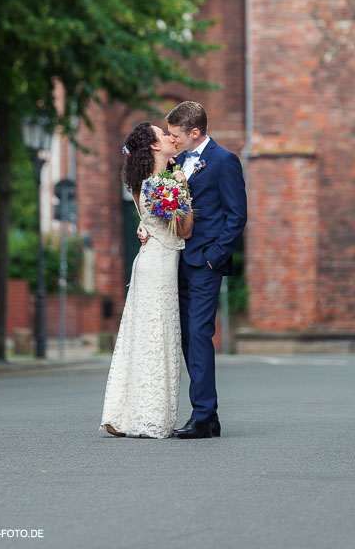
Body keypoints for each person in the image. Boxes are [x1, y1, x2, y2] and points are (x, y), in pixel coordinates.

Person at [139, 101, 247, 439]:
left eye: (175, 134)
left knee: (200, 333)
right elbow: (169, 210)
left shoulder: (224, 161)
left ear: (195, 132)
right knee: (186, 336)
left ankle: (201, 417)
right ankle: (209, 414)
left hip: (205, 263)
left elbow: (236, 216)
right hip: (175, 261)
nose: (172, 139)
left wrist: (215, 257)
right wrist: (147, 227)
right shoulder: (176, 162)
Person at [100, 121, 193, 439]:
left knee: (139, 338)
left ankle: (123, 412)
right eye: (163, 135)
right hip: (159, 268)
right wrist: (181, 185)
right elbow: (185, 229)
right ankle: (149, 416)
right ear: (154, 146)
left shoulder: (143, 183)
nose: (169, 137)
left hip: (149, 262)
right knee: (157, 338)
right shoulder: (161, 184)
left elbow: (152, 223)